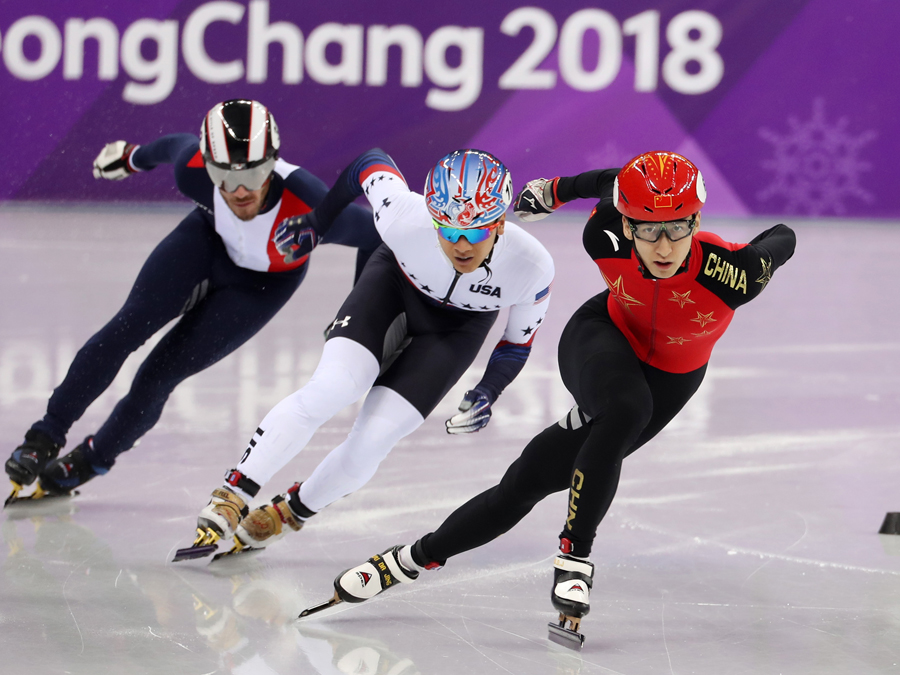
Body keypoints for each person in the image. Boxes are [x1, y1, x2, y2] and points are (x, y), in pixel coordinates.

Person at [309, 151, 797, 647]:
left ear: (695, 220)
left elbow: (784, 238)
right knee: (627, 409)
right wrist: (556, 191)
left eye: (677, 228)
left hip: (672, 378)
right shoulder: (602, 234)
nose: (663, 245)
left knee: (526, 482)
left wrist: (755, 251)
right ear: (626, 226)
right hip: (601, 337)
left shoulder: (733, 274)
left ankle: (406, 560)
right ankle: (574, 557)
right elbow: (613, 182)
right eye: (648, 230)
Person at [176, 147, 555, 560]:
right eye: (447, 230)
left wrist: (489, 390)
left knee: (373, 441)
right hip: (391, 289)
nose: (461, 246)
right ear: (431, 217)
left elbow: (517, 344)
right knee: (334, 388)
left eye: (475, 232)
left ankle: (290, 512)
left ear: (499, 223)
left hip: (457, 330)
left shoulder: (532, 266)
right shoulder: (403, 213)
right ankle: (232, 494)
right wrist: (318, 223)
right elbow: (367, 162)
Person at [4, 99, 381, 505]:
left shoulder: (311, 207)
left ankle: (92, 459)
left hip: (261, 287)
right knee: (125, 329)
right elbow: (175, 146)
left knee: (157, 376)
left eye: (253, 174)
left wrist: (355, 313)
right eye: (224, 174)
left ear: (272, 163)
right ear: (208, 166)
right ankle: (43, 436)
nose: (239, 190)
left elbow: (377, 235)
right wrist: (133, 158)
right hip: (203, 242)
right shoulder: (193, 172)